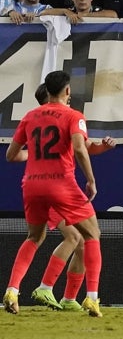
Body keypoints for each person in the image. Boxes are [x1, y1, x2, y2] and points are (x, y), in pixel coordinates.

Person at [3, 70, 104, 317]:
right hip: (61, 184)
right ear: (67, 91)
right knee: (92, 235)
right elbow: (80, 148)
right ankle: (91, 298)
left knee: (34, 238)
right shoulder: (74, 116)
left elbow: (11, 155)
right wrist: (90, 180)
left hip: (32, 185)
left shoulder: (30, 116)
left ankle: (12, 290)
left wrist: (35, 157)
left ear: (47, 91)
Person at [27, 83, 116, 312]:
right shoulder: (51, 121)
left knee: (84, 243)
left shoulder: (61, 120)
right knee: (75, 238)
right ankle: (45, 287)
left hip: (57, 188)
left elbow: (86, 147)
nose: (69, 98)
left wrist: (102, 148)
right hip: (55, 189)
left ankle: (68, 298)